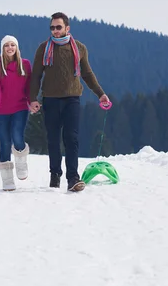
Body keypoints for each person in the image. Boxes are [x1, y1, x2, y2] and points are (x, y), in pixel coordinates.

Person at [29, 12, 109, 192]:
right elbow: (36, 76)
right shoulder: (44, 48)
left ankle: (73, 177)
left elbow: (87, 74)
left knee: (71, 138)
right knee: (53, 139)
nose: (55, 31)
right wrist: (33, 98)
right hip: (50, 99)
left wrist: (100, 94)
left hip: (72, 98)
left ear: (67, 28)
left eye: (58, 27)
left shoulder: (79, 48)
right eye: (52, 27)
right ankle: (55, 175)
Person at [0, 35, 32, 191]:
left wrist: (31, 102)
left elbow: (28, 88)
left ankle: (21, 163)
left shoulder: (25, 65)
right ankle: (7, 180)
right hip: (1, 112)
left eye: (12, 44)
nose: (10, 48)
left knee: (17, 136)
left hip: (20, 108)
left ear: (17, 47)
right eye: (6, 45)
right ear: (2, 48)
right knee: (5, 142)